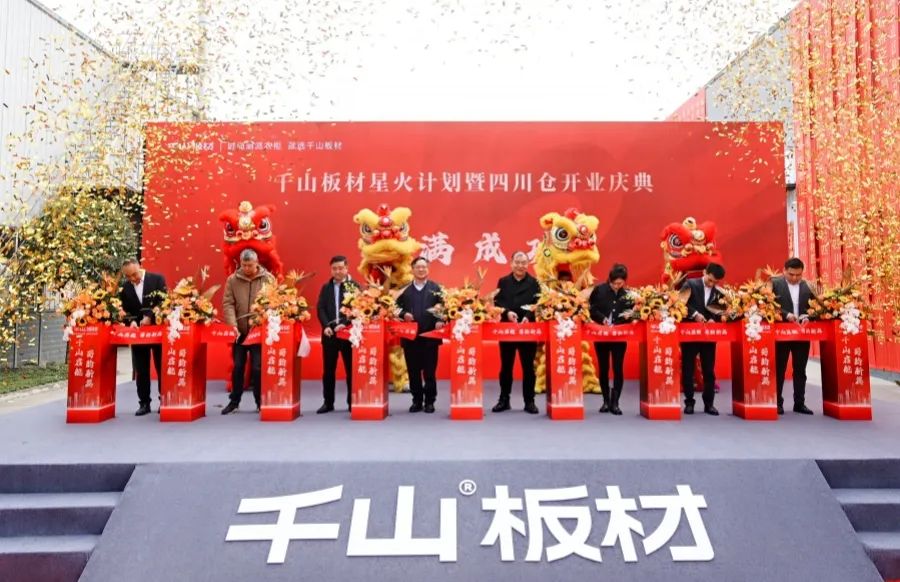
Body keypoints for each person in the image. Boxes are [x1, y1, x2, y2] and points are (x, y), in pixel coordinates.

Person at [221, 249, 275, 415]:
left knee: (258, 367)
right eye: (244, 265)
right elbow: (228, 303)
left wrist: (262, 320)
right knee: (238, 366)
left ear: (256, 263)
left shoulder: (268, 279)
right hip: (240, 331)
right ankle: (234, 401)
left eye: (250, 265)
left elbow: (274, 302)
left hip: (258, 331)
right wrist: (233, 325)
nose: (246, 268)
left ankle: (260, 401)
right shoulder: (232, 280)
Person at [492, 251, 541, 414]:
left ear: (528, 264)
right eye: (517, 262)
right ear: (511, 263)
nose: (520, 266)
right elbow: (498, 302)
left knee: (528, 368)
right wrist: (507, 313)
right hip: (508, 329)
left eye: (523, 263)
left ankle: (529, 401)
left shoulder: (535, 283)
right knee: (506, 366)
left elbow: (537, 303)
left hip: (528, 329)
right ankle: (504, 400)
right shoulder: (503, 282)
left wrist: (528, 316)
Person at [119, 259, 167, 416]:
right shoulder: (125, 288)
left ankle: (164, 400)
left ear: (140, 267)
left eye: (134, 274)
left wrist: (150, 316)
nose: (132, 279)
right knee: (141, 369)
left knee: (161, 367)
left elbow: (163, 301)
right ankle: (144, 403)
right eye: (128, 276)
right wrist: (131, 321)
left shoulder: (157, 279)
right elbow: (125, 310)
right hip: (138, 334)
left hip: (157, 331)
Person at [396, 257, 444, 413]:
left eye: (424, 267)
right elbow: (394, 307)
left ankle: (430, 401)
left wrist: (440, 319)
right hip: (410, 337)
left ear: (428, 269)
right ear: (412, 269)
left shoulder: (436, 288)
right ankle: (416, 400)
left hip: (430, 336)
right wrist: (403, 314)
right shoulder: (404, 289)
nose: (421, 269)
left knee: (429, 372)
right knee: (413, 371)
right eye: (418, 267)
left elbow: (445, 307)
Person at [679, 262, 727, 415]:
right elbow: (680, 304)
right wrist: (694, 315)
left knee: (709, 370)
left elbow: (720, 312)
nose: (711, 284)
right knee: (688, 369)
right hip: (690, 333)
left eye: (715, 282)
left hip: (708, 336)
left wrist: (714, 319)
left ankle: (709, 404)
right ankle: (689, 402)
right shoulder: (690, 284)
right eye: (710, 280)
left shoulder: (719, 292)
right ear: (705, 272)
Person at [771, 257, 815, 415]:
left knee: (800, 370)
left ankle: (799, 403)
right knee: (779, 369)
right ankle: (777, 402)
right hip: (781, 334)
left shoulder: (808, 286)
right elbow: (768, 305)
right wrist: (786, 314)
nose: (795, 278)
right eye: (791, 274)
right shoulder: (774, 284)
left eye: (798, 275)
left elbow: (816, 307)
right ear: (784, 271)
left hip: (802, 334)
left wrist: (809, 316)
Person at [316, 255, 359, 414]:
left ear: (347, 268)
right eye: (334, 268)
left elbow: (359, 308)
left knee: (350, 370)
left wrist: (346, 324)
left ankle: (352, 402)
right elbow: (320, 308)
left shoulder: (354, 286)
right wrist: (326, 326)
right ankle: (328, 402)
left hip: (348, 334)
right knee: (328, 370)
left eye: (341, 268)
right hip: (330, 334)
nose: (338, 271)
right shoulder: (326, 288)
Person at [589, 263, 632, 415]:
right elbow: (592, 309)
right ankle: (606, 401)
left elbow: (631, 314)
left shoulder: (627, 295)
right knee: (603, 368)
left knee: (618, 368)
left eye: (620, 283)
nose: (617, 286)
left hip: (619, 337)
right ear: (610, 279)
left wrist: (626, 318)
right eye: (614, 283)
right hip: (601, 335)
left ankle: (615, 402)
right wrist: (602, 319)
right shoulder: (599, 290)